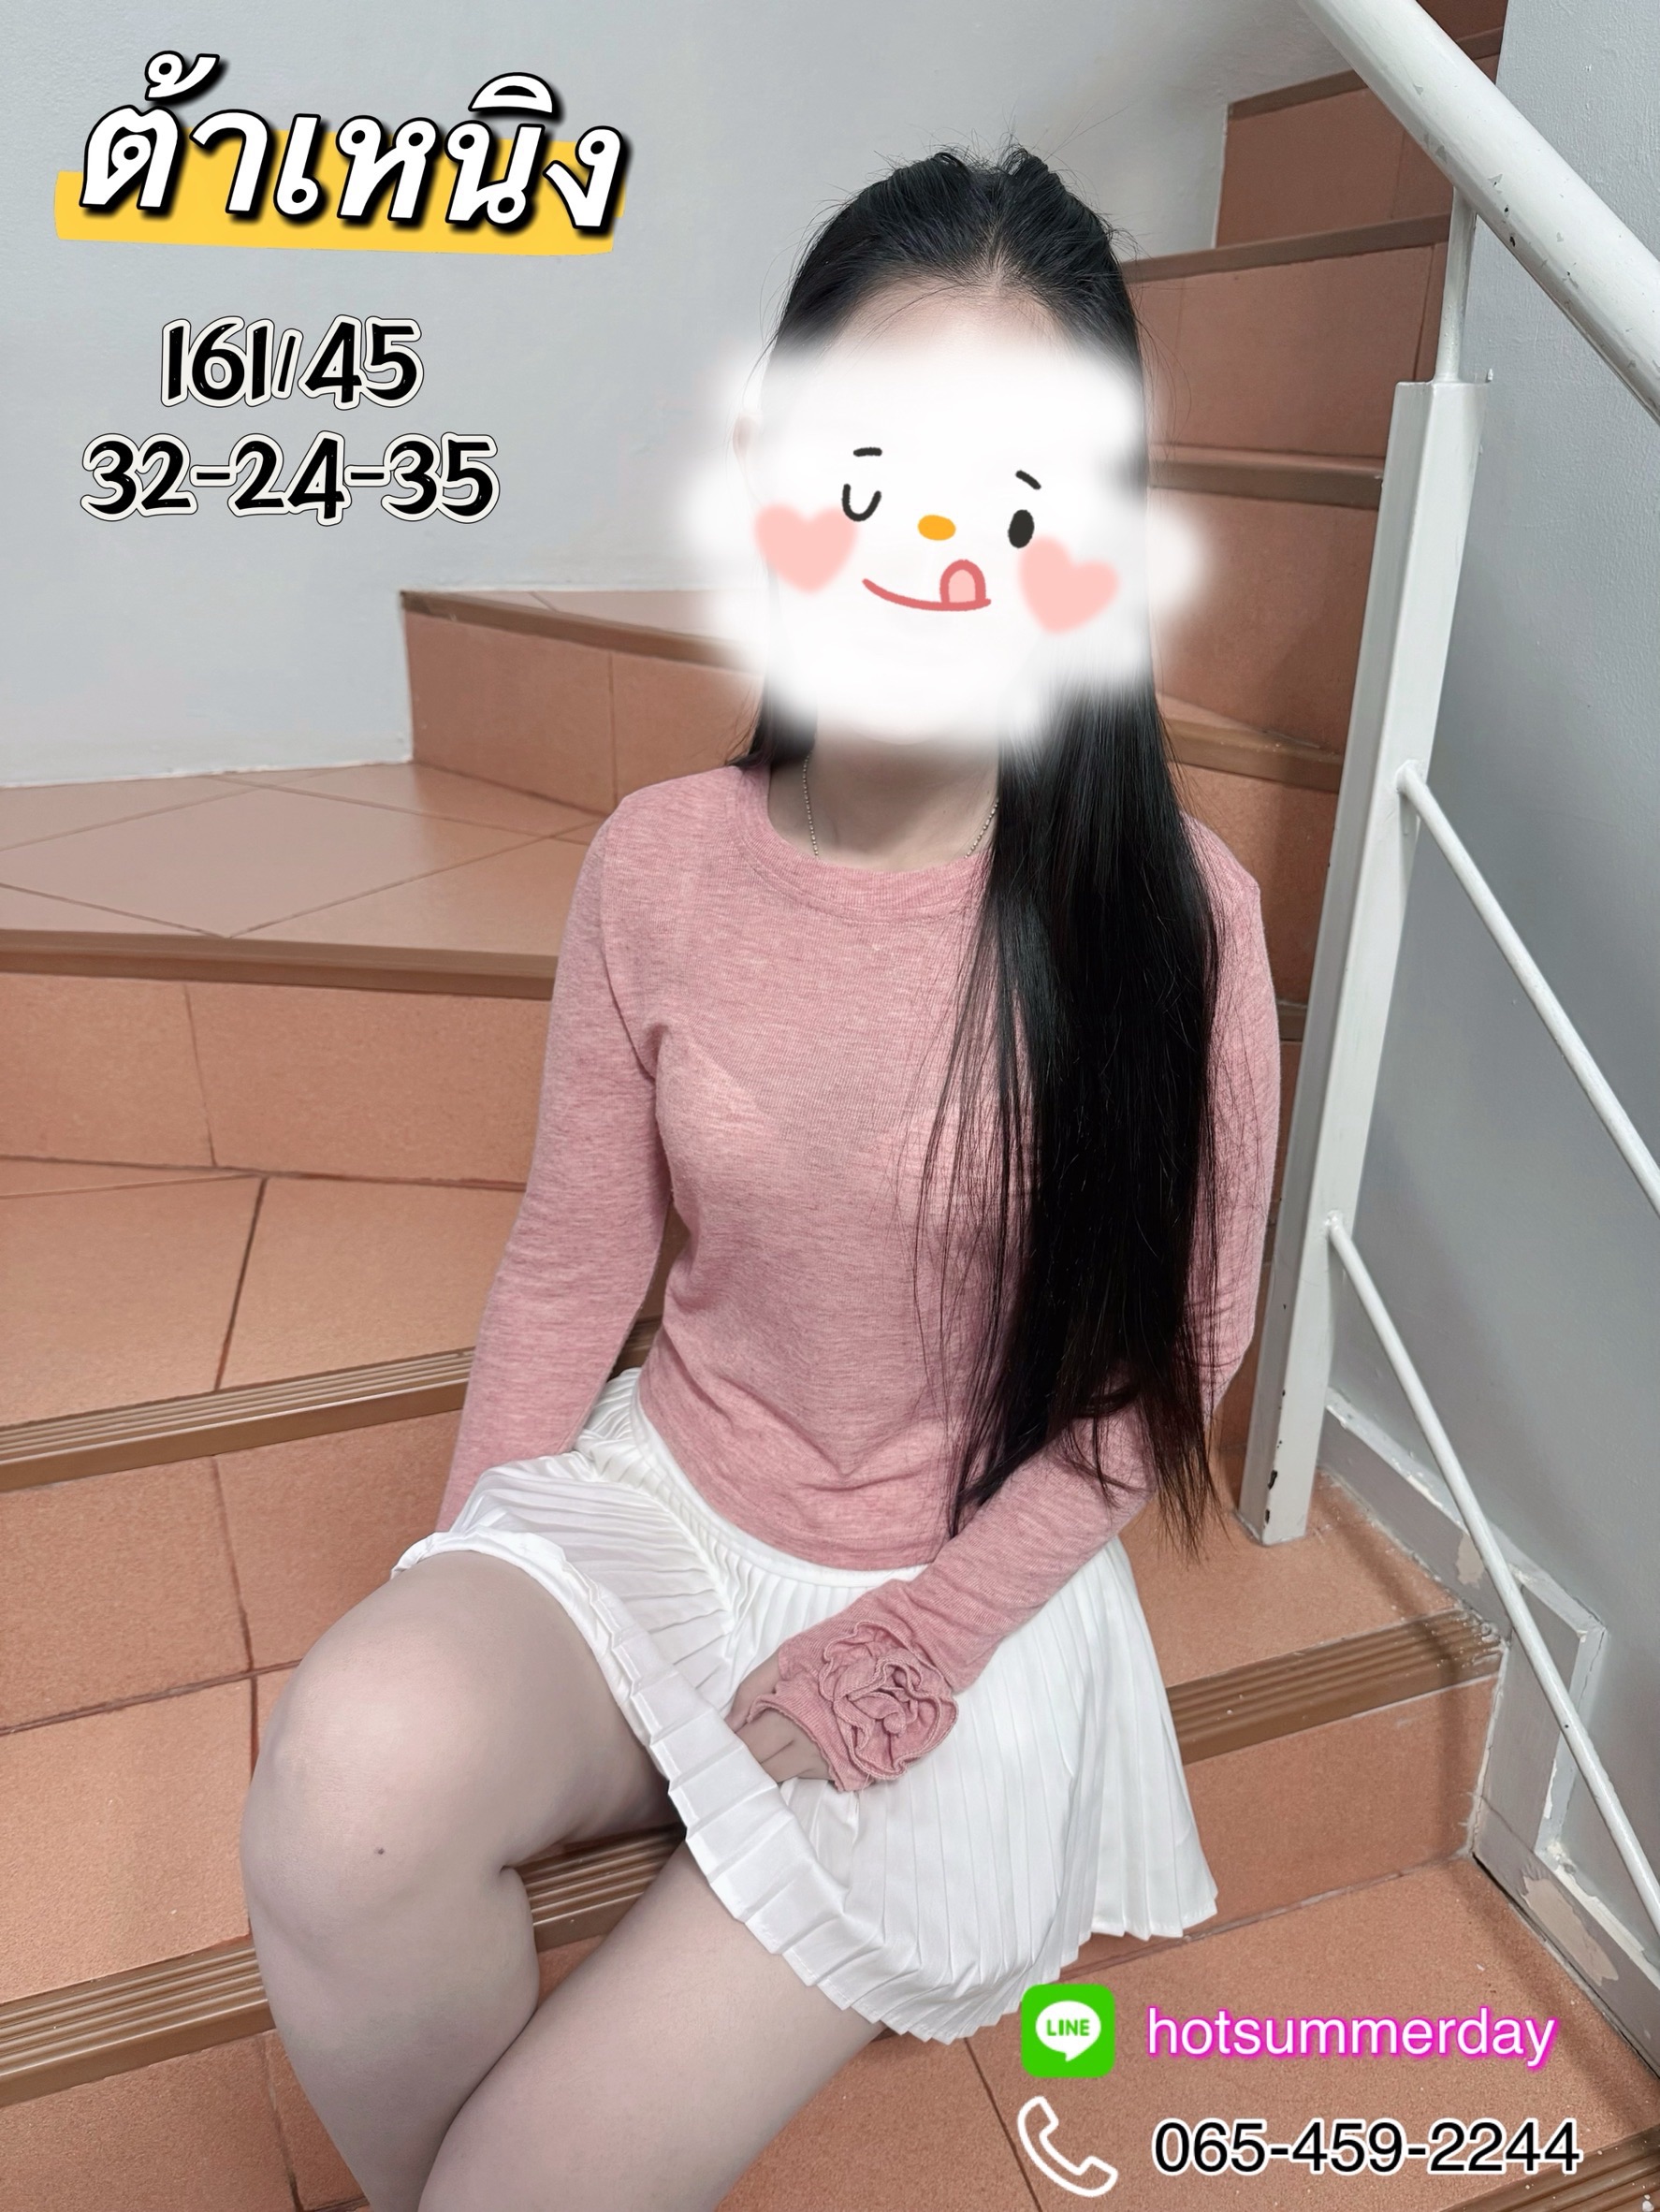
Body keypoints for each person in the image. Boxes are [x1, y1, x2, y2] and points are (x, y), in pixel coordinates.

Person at [240, 144, 1280, 2212]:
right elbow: (572, 1261)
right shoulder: (656, 863)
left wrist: (922, 1641)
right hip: (670, 1496)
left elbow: (1174, 1354)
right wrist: (478, 1570)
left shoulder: (1175, 923)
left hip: (946, 1601)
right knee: (347, 1784)